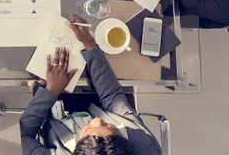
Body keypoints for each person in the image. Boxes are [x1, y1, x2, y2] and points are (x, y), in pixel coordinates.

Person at [20, 15, 162, 155]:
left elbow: (24, 135)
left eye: (88, 130)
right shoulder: (142, 141)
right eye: (112, 128)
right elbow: (112, 97)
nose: (97, 121)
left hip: (52, 111)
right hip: (100, 103)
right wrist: (90, 45)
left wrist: (51, 90)